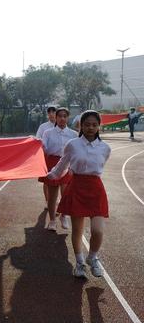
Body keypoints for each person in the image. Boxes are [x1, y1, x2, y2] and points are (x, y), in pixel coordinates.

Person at [48, 110, 111, 279]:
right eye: (87, 124)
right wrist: (51, 175)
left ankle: (92, 258)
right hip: (76, 186)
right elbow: (63, 164)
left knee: (98, 230)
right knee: (77, 230)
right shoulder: (72, 144)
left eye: (94, 125)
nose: (91, 128)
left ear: (99, 126)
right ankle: (80, 263)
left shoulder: (105, 148)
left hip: (95, 188)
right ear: (81, 125)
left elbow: (101, 166)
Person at [39, 107, 77, 231]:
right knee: (52, 195)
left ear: (68, 118)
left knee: (66, 194)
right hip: (52, 163)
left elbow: (76, 151)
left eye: (65, 116)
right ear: (55, 117)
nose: (62, 118)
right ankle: (52, 220)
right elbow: (43, 147)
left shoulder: (73, 134)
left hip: (67, 164)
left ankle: (64, 216)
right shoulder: (48, 133)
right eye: (59, 116)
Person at [36, 106, 57, 207]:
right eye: (50, 112)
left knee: (61, 182)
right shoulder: (43, 127)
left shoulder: (61, 126)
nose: (52, 114)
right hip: (46, 157)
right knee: (47, 180)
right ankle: (48, 202)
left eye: (54, 112)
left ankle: (57, 203)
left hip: (60, 157)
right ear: (47, 114)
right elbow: (38, 139)